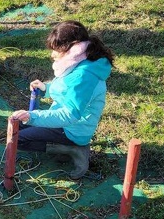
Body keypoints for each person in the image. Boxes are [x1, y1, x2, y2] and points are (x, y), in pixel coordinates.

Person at [11, 20, 115, 180]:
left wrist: (33, 117)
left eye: (56, 50)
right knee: (16, 127)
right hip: (68, 123)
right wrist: (47, 88)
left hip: (73, 129)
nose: (52, 55)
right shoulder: (83, 61)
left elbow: (69, 115)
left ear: (71, 48)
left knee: (17, 139)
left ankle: (73, 148)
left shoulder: (83, 76)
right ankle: (64, 145)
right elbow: (67, 88)